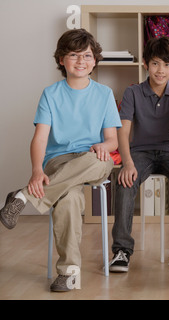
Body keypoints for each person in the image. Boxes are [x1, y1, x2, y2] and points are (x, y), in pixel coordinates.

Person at [0, 29, 122, 292]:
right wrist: (35, 171)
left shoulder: (104, 94)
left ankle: (23, 198)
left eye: (87, 55)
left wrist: (104, 145)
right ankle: (69, 273)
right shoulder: (51, 94)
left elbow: (112, 141)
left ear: (95, 60)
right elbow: (41, 139)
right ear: (61, 60)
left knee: (97, 161)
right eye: (74, 55)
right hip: (60, 162)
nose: (81, 61)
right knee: (68, 200)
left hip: (93, 158)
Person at [109, 37, 169, 272]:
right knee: (124, 183)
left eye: (167, 65)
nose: (161, 70)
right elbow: (123, 130)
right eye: (156, 63)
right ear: (146, 64)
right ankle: (121, 251)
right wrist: (127, 163)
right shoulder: (133, 92)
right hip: (141, 152)